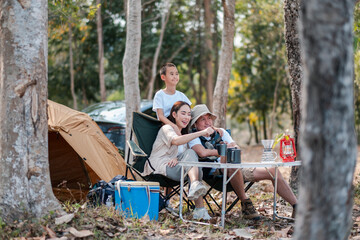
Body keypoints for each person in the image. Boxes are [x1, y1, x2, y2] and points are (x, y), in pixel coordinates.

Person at [188, 104, 298, 219]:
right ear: (195, 123)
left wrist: (232, 147)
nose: (208, 122)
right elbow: (202, 153)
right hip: (215, 175)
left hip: (235, 169)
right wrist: (224, 150)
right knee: (232, 165)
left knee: (272, 170)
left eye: (209, 118)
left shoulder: (221, 133)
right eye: (202, 119)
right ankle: (246, 204)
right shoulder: (194, 136)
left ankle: (296, 206)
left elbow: (237, 149)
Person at [143, 101, 215, 220]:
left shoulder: (184, 134)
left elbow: (181, 151)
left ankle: (198, 204)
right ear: (174, 115)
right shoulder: (167, 128)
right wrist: (201, 133)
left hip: (175, 166)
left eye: (188, 114)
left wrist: (176, 157)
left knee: (194, 166)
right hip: (158, 167)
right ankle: (199, 208)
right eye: (183, 113)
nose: (186, 117)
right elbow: (176, 141)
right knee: (193, 161)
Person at [153, 63, 191, 136]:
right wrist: (174, 126)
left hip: (182, 126)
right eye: (171, 74)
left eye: (176, 74)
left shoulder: (181, 95)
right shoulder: (160, 95)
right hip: (167, 128)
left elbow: (190, 112)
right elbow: (160, 116)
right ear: (163, 77)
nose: (175, 76)